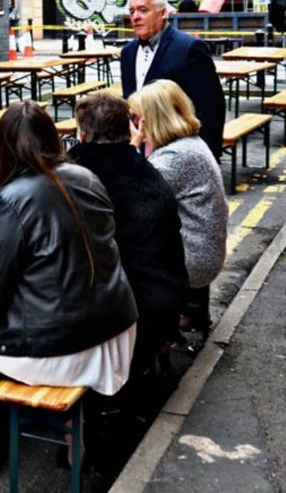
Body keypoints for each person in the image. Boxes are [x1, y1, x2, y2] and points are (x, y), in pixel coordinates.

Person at [0, 101, 138, 480]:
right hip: (116, 332)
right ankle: (72, 436)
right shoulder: (86, 176)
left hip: (65, 347)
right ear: (52, 137)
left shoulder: (11, 197)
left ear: (2, 148)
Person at [70, 91, 188, 371]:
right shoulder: (147, 171)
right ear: (129, 128)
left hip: (125, 316)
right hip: (168, 304)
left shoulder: (77, 172)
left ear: (83, 134)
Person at [128, 80, 227, 338]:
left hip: (194, 259)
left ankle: (151, 336)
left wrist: (131, 147)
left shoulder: (175, 157)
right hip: (203, 250)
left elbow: (131, 195)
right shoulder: (189, 143)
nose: (133, 123)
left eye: (136, 117)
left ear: (151, 119)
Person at [121, 0, 226, 158]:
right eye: (132, 11)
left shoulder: (189, 48)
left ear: (163, 13)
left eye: (143, 10)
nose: (136, 17)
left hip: (179, 150)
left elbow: (211, 107)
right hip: (140, 150)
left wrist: (206, 155)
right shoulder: (128, 52)